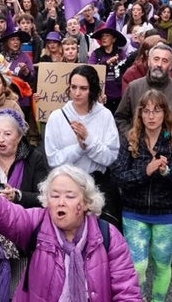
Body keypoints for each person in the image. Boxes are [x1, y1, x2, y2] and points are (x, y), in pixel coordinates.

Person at [0, 164, 142, 301]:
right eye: (54, 195)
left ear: (86, 203)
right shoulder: (36, 222)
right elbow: (5, 213)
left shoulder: (108, 236)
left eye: (69, 196)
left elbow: (126, 291)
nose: (61, 202)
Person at [110, 90, 172, 302]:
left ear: (165, 113)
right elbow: (119, 177)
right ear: (140, 114)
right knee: (137, 266)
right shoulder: (131, 139)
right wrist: (145, 172)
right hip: (134, 211)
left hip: (167, 213)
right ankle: (136, 299)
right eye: (146, 111)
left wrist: (167, 172)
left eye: (156, 110)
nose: (151, 116)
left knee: (162, 263)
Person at [0, 109, 49, 300]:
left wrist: (18, 196)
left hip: (23, 231)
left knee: (18, 286)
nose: (1, 140)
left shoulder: (34, 158)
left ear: (19, 136)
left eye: (7, 134)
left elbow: (44, 197)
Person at [45, 64, 122, 228]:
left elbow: (110, 157)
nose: (77, 93)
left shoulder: (105, 115)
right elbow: (53, 160)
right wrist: (79, 148)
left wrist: (89, 141)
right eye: (73, 87)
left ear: (92, 90)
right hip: (67, 187)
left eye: (83, 88)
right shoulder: (57, 117)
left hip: (98, 186)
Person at [115, 43, 172, 136]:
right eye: (156, 59)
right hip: (138, 144)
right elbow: (120, 118)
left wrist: (168, 115)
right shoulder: (134, 87)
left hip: (169, 145)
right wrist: (130, 135)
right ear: (149, 61)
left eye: (164, 61)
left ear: (171, 65)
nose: (159, 64)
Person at [89, 27, 128, 113]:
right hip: (102, 96)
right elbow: (91, 71)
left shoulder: (121, 53)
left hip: (119, 96)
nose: (104, 38)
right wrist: (107, 63)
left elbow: (127, 69)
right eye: (102, 36)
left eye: (107, 35)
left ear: (113, 39)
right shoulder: (96, 54)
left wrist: (120, 64)